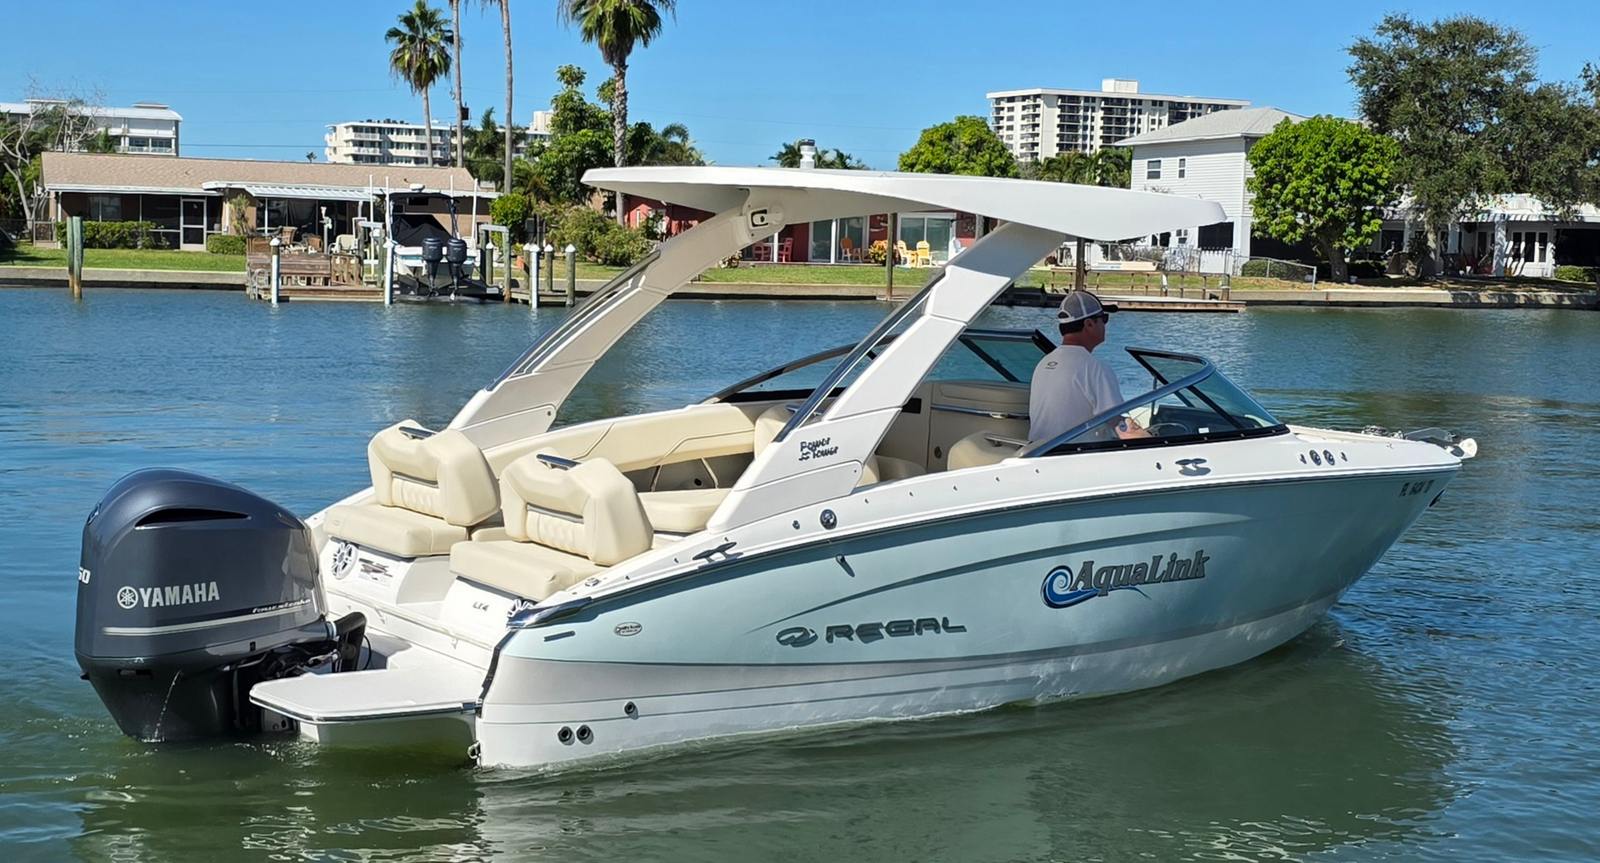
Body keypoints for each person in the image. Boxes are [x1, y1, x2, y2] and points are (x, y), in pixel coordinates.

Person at [1028, 291, 1148, 445]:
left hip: (1039, 451)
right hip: (1074, 455)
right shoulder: (1095, 368)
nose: (1105, 325)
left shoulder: (1044, 362)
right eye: (1104, 319)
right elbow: (1121, 427)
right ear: (1089, 324)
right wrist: (1153, 440)